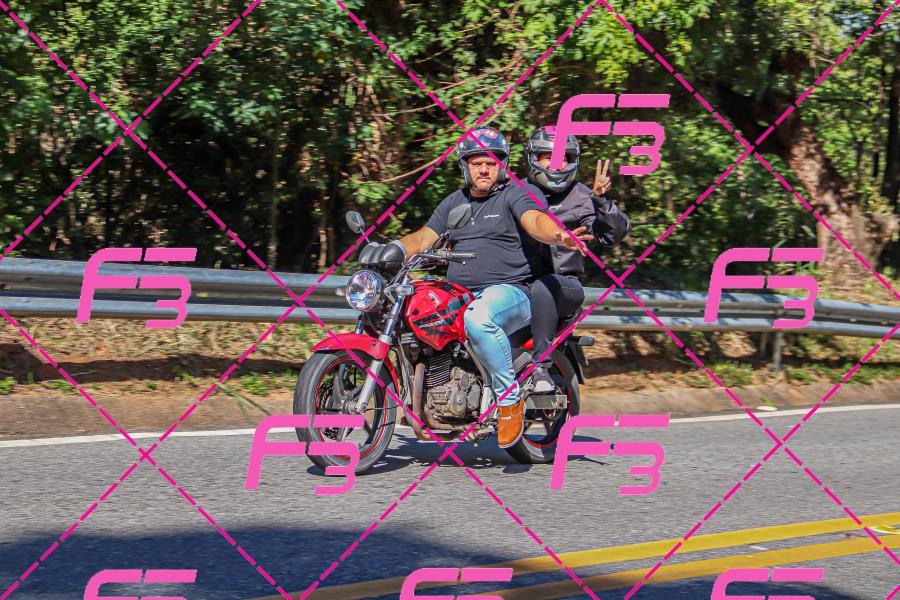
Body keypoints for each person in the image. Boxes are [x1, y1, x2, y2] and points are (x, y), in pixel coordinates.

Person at [382, 127, 592, 448]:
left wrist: (559, 235)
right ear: (465, 167)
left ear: (502, 166)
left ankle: (508, 399)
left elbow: (535, 220)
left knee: (478, 317)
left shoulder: (514, 195)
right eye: (476, 163)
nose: (483, 169)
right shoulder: (454, 202)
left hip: (511, 293)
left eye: (491, 163)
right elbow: (424, 237)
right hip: (460, 294)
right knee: (412, 310)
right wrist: (392, 249)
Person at [523, 126, 631, 393]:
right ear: (534, 158)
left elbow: (610, 234)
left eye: (564, 158)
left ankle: (540, 369)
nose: (557, 164)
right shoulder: (515, 192)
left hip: (562, 286)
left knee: (543, 287)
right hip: (517, 283)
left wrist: (602, 202)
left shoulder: (581, 196)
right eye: (549, 157)